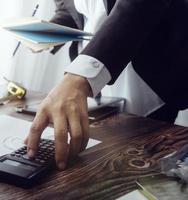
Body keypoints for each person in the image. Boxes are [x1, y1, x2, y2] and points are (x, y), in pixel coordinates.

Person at [25, 0, 188, 170]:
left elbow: (139, 5)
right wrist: (50, 29)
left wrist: (78, 79)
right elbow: (73, 7)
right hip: (94, 68)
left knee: (142, 162)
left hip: (150, 73)